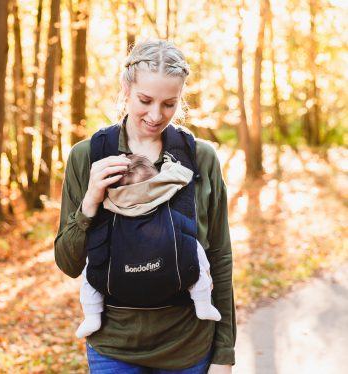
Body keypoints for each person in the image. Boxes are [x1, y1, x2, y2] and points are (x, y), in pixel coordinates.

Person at [54, 39, 236, 373]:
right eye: (145, 100)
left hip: (188, 347)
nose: (156, 115)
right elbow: (68, 262)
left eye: (169, 103)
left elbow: (220, 257)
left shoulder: (201, 158)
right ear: (126, 89)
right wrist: (91, 201)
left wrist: (224, 353)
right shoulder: (88, 156)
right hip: (114, 348)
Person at [75, 154, 221, 340]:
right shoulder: (162, 190)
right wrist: (170, 164)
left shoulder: (112, 199)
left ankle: (92, 316)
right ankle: (203, 303)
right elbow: (177, 176)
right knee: (195, 253)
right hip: (171, 278)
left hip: (118, 282)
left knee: (91, 269)